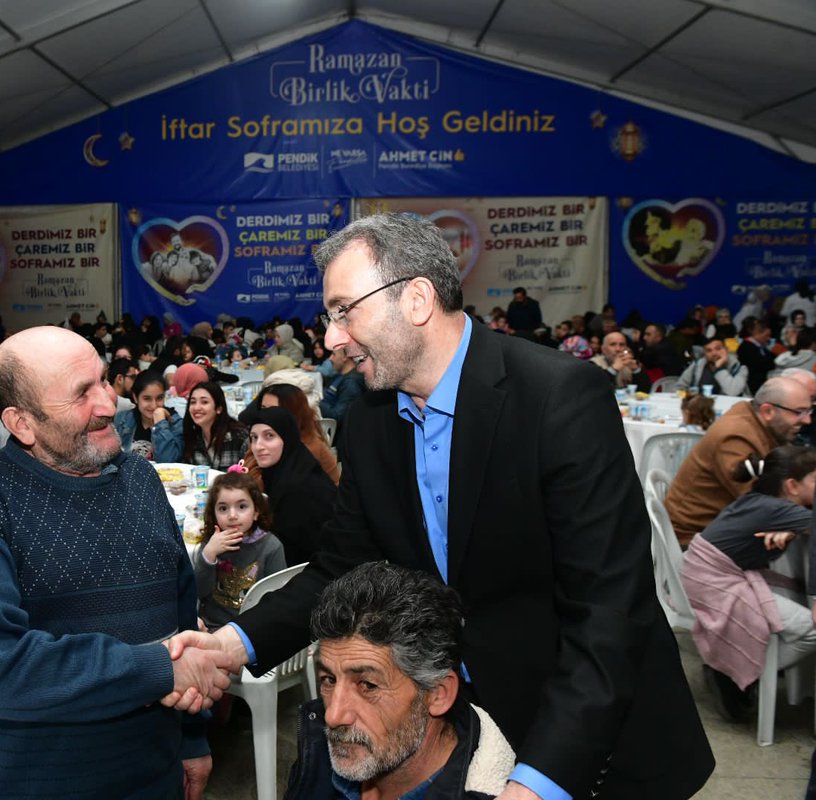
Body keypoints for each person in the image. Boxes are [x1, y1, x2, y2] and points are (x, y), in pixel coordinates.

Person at [169, 214, 713, 800]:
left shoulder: (557, 399)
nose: (331, 338)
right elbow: (339, 569)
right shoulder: (373, 423)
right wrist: (232, 644)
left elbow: (608, 613)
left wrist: (539, 783)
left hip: (593, 741)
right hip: (468, 732)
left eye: (344, 310)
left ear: (418, 299)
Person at [0, 326, 234, 799]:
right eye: (82, 394)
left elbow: (180, 624)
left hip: (150, 773)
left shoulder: (142, 479)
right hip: (24, 784)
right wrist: (156, 671)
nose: (110, 403)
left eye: (105, 381)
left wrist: (193, 737)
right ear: (21, 423)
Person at [287, 562, 515, 800]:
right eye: (329, 679)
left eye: (368, 685)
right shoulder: (319, 752)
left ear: (438, 694)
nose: (333, 716)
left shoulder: (489, 790)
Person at [681, 445, 816, 722]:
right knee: (812, 627)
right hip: (715, 582)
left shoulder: (761, 499)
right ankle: (739, 672)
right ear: (791, 485)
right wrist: (793, 528)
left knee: (793, 591)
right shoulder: (776, 508)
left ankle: (736, 668)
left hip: (699, 570)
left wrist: (790, 531)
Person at [666, 377, 811, 546]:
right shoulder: (735, 437)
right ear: (768, 411)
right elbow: (760, 505)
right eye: (799, 412)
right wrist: (797, 518)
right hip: (697, 541)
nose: (807, 420)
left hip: (720, 531)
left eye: (809, 411)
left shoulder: (754, 419)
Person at [245, 407, 335, 567]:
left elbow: (298, 550)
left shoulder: (296, 487)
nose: (258, 446)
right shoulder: (293, 466)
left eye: (269, 436)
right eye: (254, 437)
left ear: (287, 438)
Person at [195, 472, 285, 629]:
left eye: (242, 506)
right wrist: (209, 555)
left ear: (256, 511)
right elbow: (199, 592)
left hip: (251, 629)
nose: (232, 515)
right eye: (223, 508)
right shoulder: (212, 542)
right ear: (214, 514)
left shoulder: (271, 547)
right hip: (212, 625)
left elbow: (277, 600)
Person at [244, 382, 340, 486]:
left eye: (274, 409)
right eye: (263, 408)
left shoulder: (307, 448)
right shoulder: (268, 435)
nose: (266, 414)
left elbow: (262, 486)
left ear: (292, 413)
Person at [114, 371, 183, 462]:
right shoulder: (123, 419)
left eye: (159, 398)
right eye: (147, 399)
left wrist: (160, 424)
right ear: (135, 397)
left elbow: (167, 462)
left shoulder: (175, 422)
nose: (154, 405)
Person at [182, 382, 248, 470]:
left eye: (204, 402)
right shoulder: (192, 437)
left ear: (219, 409)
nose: (196, 407)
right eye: (193, 402)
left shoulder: (239, 436)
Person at [677, 338, 749, 396]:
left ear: (726, 350)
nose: (714, 353)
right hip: (699, 407)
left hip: (730, 409)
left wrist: (719, 369)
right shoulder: (697, 365)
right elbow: (680, 386)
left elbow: (733, 392)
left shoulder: (740, 368)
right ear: (704, 354)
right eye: (709, 351)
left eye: (718, 349)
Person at [319, 345, 366, 429]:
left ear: (345, 357)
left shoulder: (351, 383)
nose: (330, 358)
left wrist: (316, 402)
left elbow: (338, 417)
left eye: (333, 354)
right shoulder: (340, 376)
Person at [738, 319, 777, 393]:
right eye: (766, 336)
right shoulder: (746, 347)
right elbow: (762, 365)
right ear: (757, 333)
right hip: (752, 387)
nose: (768, 339)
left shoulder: (760, 347)